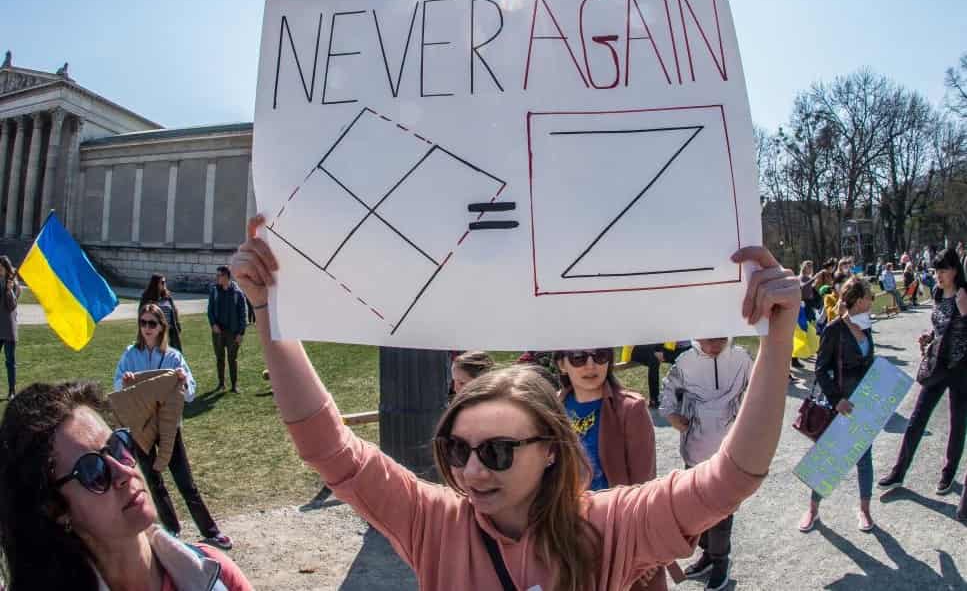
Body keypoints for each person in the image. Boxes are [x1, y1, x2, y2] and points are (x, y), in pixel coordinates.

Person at [229, 214, 800, 591]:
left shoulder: (609, 525)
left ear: (552, 450)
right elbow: (330, 448)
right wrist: (267, 312)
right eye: (457, 449)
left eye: (499, 451)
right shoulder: (435, 521)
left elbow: (731, 478)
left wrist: (778, 337)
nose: (471, 471)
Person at [0, 381, 252, 590]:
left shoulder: (214, 573)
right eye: (93, 470)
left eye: (118, 446)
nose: (124, 471)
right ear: (55, 508)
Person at [114, 303, 233, 550]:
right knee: (154, 481)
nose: (147, 328)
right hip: (141, 427)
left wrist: (180, 379)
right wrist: (124, 382)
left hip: (168, 427)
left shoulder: (173, 357)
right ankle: (172, 531)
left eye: (152, 323)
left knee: (185, 481)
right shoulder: (130, 355)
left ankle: (210, 531)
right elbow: (117, 388)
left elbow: (190, 393)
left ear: (161, 327)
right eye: (143, 322)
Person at [555, 347, 665, 590]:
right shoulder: (551, 408)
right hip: (567, 536)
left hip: (619, 536)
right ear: (562, 364)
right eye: (578, 357)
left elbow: (644, 488)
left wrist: (645, 552)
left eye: (600, 356)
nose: (591, 365)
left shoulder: (630, 409)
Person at [660, 337, 753, 590]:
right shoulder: (685, 361)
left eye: (720, 340)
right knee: (698, 509)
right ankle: (708, 555)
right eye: (707, 341)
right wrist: (671, 415)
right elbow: (667, 391)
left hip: (729, 451)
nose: (714, 347)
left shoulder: (741, 359)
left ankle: (722, 561)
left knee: (722, 511)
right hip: (695, 448)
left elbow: (758, 390)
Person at [879, 248, 967, 501]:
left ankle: (948, 474)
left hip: (961, 368)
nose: (938, 275)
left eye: (943, 270)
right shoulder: (938, 293)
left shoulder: (963, 295)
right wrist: (930, 338)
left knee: (957, 424)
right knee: (917, 418)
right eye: (936, 270)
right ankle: (899, 471)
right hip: (938, 366)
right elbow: (939, 327)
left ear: (955, 270)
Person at [798, 277, 877, 534]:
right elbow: (820, 370)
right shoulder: (834, 330)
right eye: (868, 297)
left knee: (864, 459)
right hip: (839, 405)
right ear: (857, 300)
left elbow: (868, 363)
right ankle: (812, 510)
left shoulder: (865, 327)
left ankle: (864, 510)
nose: (872, 301)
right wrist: (836, 399)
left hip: (863, 404)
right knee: (828, 461)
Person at [207, 266, 248, 393]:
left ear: (226, 277)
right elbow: (210, 310)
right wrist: (213, 324)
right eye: (217, 275)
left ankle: (234, 385)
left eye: (219, 275)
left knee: (232, 358)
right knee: (219, 358)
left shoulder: (238, 293)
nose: (217, 278)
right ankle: (221, 383)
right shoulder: (214, 291)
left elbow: (243, 314)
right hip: (218, 331)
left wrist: (241, 333)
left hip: (233, 332)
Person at [630, 341, 692, 408]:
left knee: (680, 357)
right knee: (654, 358)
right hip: (643, 348)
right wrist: (656, 350)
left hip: (675, 348)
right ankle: (654, 400)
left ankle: (679, 392)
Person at [139, 273, 183, 350]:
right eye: (162, 282)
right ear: (155, 283)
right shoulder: (147, 298)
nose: (164, 284)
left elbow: (173, 312)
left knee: (170, 353)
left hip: (169, 332)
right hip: (153, 330)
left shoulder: (167, 297)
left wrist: (177, 325)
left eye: (165, 282)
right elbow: (141, 315)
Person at [0, 256, 19, 400]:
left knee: (10, 361)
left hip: (8, 327)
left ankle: (12, 391)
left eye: (0, 267)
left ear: (6, 267)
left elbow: (12, 306)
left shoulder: (14, 285)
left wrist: (9, 290)